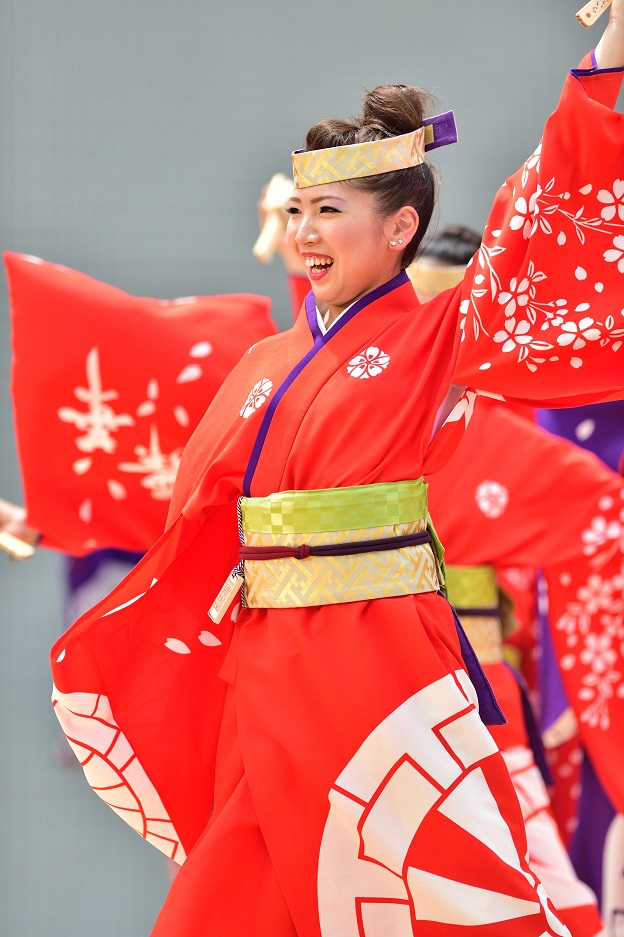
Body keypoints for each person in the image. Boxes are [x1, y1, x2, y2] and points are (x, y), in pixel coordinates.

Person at [49, 7, 624, 936]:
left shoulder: (436, 337)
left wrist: (606, 61)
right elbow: (199, 509)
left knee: (439, 890)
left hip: (379, 661)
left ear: (401, 227)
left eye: (332, 212)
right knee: (233, 898)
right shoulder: (271, 361)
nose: (308, 231)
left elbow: (539, 218)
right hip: (268, 663)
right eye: (300, 212)